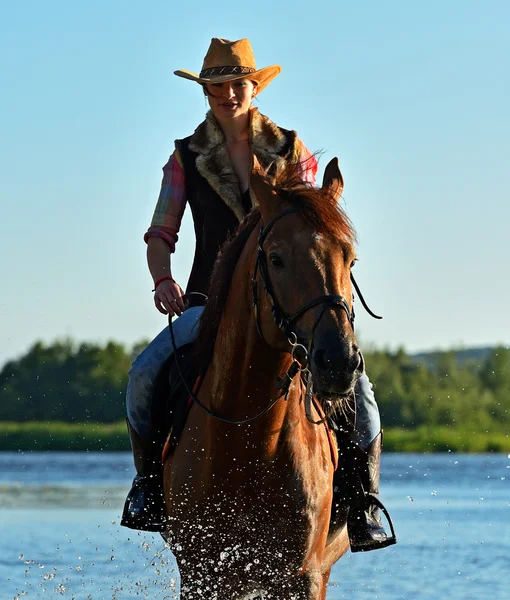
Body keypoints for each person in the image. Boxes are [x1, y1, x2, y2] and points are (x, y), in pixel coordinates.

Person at [121, 38, 396, 552]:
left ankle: (363, 502)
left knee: (363, 399)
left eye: (236, 84)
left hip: (285, 307)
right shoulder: (184, 156)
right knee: (142, 375)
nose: (228, 94)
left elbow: (318, 222)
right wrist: (163, 280)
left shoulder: (291, 149)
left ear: (254, 86)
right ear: (206, 93)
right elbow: (161, 233)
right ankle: (150, 488)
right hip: (209, 305)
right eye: (217, 86)